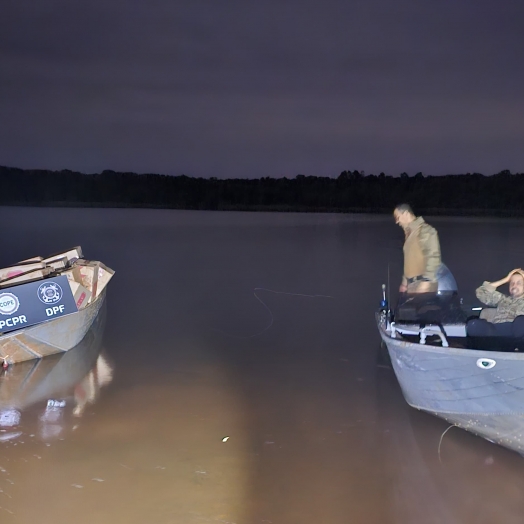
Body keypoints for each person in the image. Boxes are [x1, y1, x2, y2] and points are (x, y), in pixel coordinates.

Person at [393, 204, 441, 293]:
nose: (397, 221)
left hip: (423, 284)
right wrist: (404, 283)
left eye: (397, 217)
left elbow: (433, 256)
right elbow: (409, 261)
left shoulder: (424, 230)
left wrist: (427, 281)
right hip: (413, 285)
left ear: (406, 214)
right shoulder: (409, 235)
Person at [467, 269, 524, 337]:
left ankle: (518, 346)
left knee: (521, 321)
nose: (514, 285)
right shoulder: (502, 299)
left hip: (517, 332)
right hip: (496, 330)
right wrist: (506, 279)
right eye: (512, 283)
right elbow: (481, 292)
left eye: (519, 283)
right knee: (473, 324)